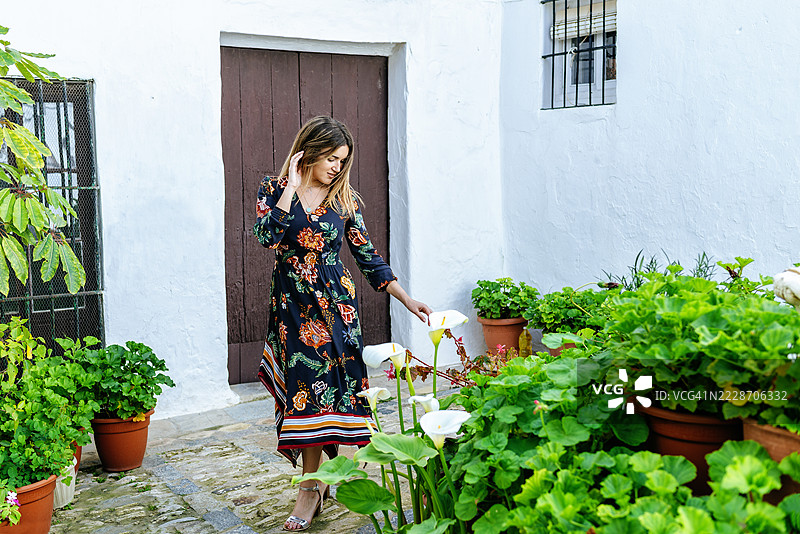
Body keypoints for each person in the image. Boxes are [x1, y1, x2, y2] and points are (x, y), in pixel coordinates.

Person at [253, 116, 431, 531]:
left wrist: (405, 298)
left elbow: (367, 255)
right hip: (294, 312)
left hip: (338, 312)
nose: (336, 167)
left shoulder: (344, 202)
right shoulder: (275, 190)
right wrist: (292, 189)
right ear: (309, 152)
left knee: (330, 395)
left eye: (342, 160)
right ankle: (312, 486)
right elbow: (267, 237)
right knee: (304, 395)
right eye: (330, 158)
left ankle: (313, 486)